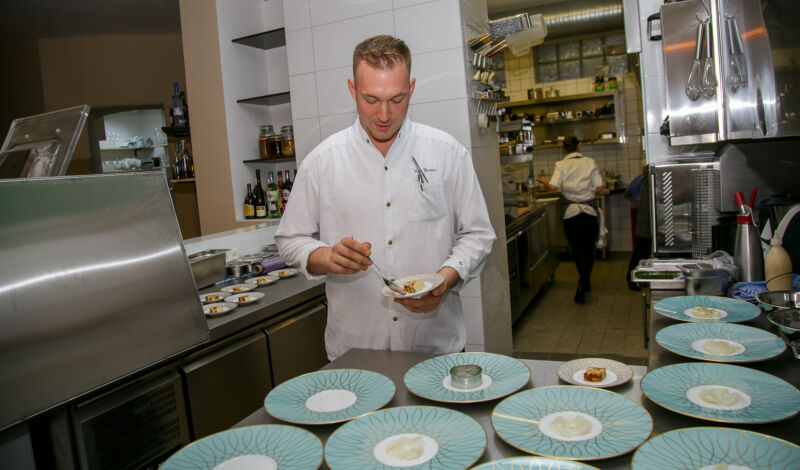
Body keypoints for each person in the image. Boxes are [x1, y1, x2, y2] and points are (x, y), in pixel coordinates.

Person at [275, 35, 496, 360]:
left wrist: (444, 280)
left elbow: (478, 234)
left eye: (397, 99)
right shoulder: (322, 162)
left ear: (412, 87)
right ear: (352, 90)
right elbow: (290, 239)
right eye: (370, 99)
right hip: (354, 353)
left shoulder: (448, 153)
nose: (383, 114)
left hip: (436, 348)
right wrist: (326, 257)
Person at [537, 137, 603, 303]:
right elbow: (599, 187)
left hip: (570, 214)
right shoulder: (590, 162)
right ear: (579, 146)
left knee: (576, 249)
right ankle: (584, 280)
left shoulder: (560, 165)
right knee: (588, 249)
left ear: (563, 149)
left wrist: (543, 181)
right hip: (589, 212)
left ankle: (583, 280)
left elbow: (553, 186)